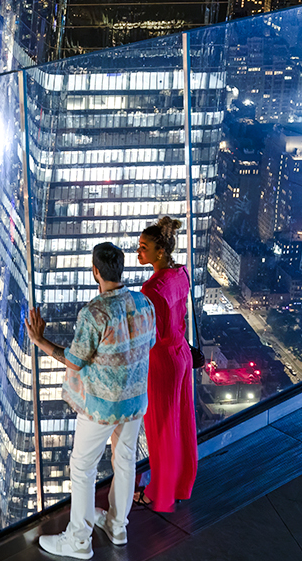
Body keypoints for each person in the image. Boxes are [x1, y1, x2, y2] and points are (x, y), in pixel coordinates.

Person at [26, 242, 157, 559]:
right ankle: (117, 526)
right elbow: (148, 344)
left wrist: (39, 339)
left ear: (95, 271)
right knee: (125, 461)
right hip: (135, 401)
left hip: (101, 405)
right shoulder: (144, 304)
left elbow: (74, 361)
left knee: (82, 468)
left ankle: (79, 540)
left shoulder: (94, 313)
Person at [135, 215, 198, 511]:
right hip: (182, 353)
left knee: (161, 429)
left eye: (144, 247)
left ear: (160, 251)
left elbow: (154, 335)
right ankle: (182, 483)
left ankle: (158, 493)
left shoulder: (152, 290)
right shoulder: (180, 274)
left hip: (162, 361)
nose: (139, 253)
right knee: (182, 422)